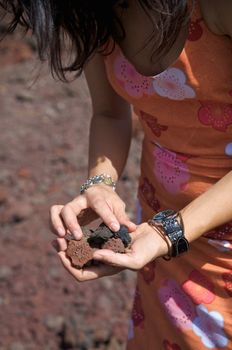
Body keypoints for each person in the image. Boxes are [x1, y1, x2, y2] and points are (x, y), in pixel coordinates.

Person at [2, 0, 232, 348]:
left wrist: (166, 233)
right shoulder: (92, 11)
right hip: (158, 227)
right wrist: (100, 184)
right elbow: (109, 114)